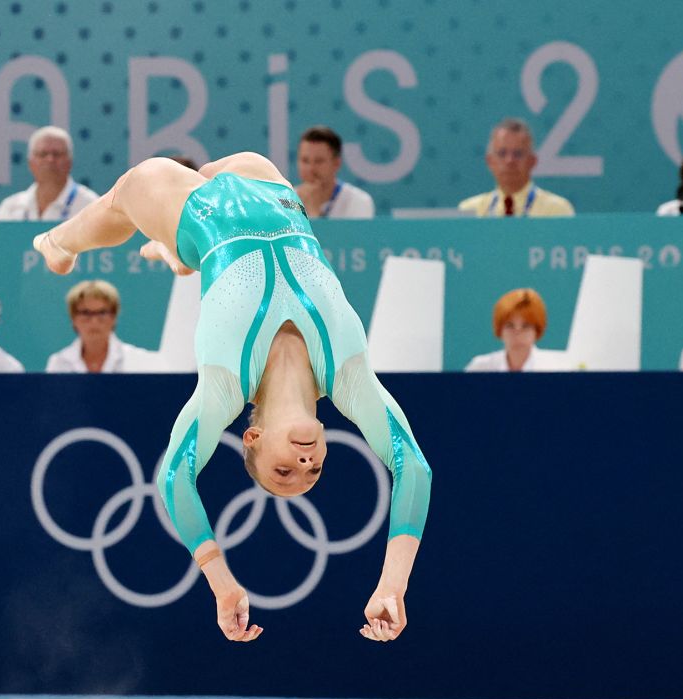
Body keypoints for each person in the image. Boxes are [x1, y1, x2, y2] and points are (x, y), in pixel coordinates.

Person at [33, 152, 431, 644]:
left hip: (203, 213)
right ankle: (176, 252)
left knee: (129, 193)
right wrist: (393, 585)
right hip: (272, 190)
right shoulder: (350, 377)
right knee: (221, 176)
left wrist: (222, 584)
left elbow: (174, 478)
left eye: (284, 470)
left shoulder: (224, 387)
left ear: (254, 436)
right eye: (315, 470)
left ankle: (57, 241)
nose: (305, 463)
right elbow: (413, 466)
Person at [459, 118, 574, 217]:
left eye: (518, 154)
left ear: (532, 161)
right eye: (502, 153)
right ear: (490, 161)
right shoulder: (471, 211)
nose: (510, 161)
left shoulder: (557, 211)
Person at [0, 126, 99, 221]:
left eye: (57, 154)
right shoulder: (10, 208)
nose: (50, 159)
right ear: (30, 163)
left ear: (69, 161)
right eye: (43, 154)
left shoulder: (90, 206)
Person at [46, 280, 152, 373]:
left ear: (114, 317)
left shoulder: (137, 360)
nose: (94, 321)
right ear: (73, 318)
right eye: (85, 313)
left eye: (102, 313)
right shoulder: (59, 363)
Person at [294, 126, 375, 219]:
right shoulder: (286, 200)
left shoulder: (359, 201)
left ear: (336, 163)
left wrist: (313, 211)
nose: (311, 169)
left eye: (319, 161)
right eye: (305, 160)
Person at [464, 289, 547, 372]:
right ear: (500, 330)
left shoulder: (553, 367)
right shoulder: (480, 368)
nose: (517, 333)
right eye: (510, 326)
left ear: (537, 330)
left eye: (526, 326)